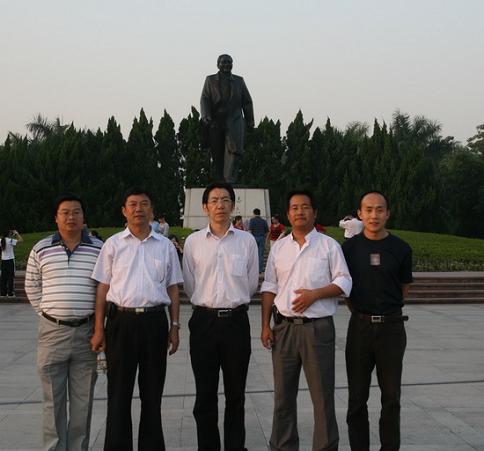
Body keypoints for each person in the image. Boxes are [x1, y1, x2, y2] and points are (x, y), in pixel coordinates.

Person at [90, 187, 183, 451]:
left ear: (151, 210)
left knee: (152, 393)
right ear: (124, 211)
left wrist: (174, 326)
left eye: (144, 204)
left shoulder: (165, 246)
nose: (138, 209)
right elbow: (103, 288)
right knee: (118, 392)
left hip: (154, 323)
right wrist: (99, 328)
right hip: (120, 322)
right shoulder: (113, 244)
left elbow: (173, 288)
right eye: (133, 204)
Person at [260, 189, 352, 451]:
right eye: (294, 207)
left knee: (322, 397)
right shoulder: (279, 247)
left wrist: (315, 294)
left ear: (315, 212)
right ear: (288, 214)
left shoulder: (328, 245)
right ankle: (283, 445)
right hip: (284, 329)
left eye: (305, 207)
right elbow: (269, 286)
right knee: (283, 397)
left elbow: (344, 282)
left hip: (317, 330)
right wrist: (265, 325)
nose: (300, 211)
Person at [183, 181, 259, 451]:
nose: (220, 205)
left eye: (225, 200)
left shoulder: (246, 241)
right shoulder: (193, 242)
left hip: (236, 322)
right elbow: (190, 284)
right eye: (214, 200)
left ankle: (235, 446)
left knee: (236, 394)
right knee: (205, 394)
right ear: (205, 207)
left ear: (233, 205)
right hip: (203, 322)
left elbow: (251, 284)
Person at [24, 194, 103, 451]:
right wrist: (49, 314)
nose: (71, 217)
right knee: (52, 401)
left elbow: (105, 288)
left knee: (83, 401)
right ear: (56, 218)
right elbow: (32, 286)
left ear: (84, 217)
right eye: (65, 212)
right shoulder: (41, 249)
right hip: (52, 333)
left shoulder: (99, 249)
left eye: (76, 212)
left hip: (87, 333)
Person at [342, 191, 413, 451]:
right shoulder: (349, 248)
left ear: (388, 213)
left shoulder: (401, 248)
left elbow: (404, 288)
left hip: (392, 329)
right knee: (357, 397)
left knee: (391, 397)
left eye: (379, 210)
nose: (374, 215)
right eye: (369, 210)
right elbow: (345, 288)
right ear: (360, 214)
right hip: (359, 328)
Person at [200, 54, 254, 183]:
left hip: (234, 119)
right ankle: (219, 180)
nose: (226, 64)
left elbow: (247, 101)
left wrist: (250, 121)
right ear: (218, 64)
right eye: (223, 62)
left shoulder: (239, 81)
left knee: (234, 150)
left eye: (229, 62)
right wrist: (206, 115)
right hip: (216, 120)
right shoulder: (210, 80)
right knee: (217, 151)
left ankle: (229, 179)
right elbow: (205, 98)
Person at [1, 229, 23, 297]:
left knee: (3, 277)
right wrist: (17, 234)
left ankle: (3, 293)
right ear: (8, 234)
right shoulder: (10, 240)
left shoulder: (1, 240)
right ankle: (10, 293)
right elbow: (21, 240)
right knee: (10, 277)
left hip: (3, 261)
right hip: (10, 260)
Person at [249, 208, 269, 273]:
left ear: (254, 213)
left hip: (254, 238)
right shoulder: (264, 221)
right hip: (262, 238)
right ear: (260, 213)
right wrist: (265, 238)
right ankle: (260, 269)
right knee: (260, 254)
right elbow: (267, 231)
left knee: (254, 254)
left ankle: (254, 269)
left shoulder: (252, 220)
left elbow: (250, 230)